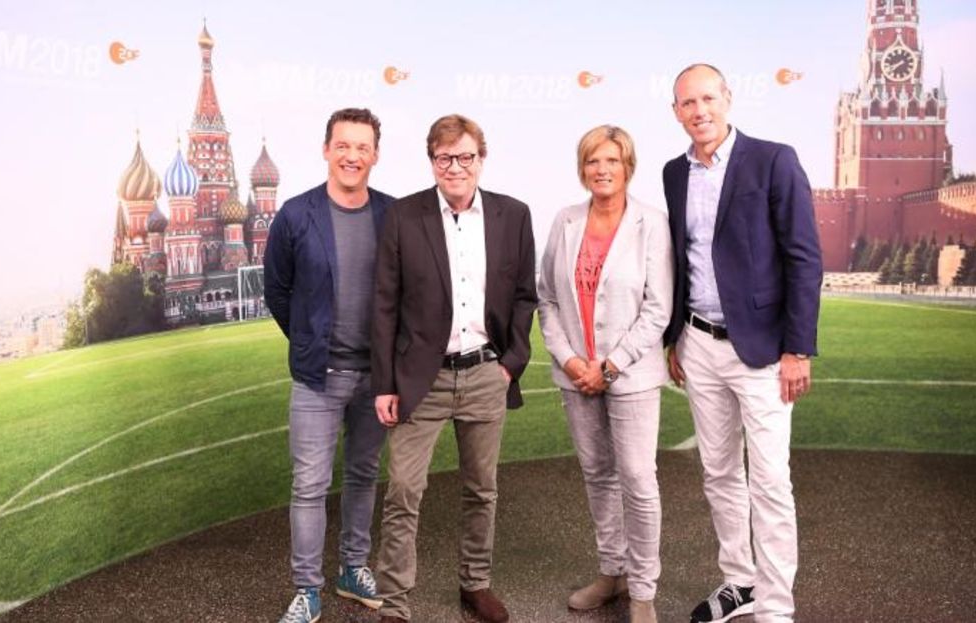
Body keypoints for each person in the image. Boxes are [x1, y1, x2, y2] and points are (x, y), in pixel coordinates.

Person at [662, 64, 823, 623]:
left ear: (728, 99)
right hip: (698, 345)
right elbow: (682, 259)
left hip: (762, 351)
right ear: (675, 111)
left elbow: (803, 256)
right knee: (719, 473)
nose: (699, 110)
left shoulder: (773, 159)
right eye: (687, 103)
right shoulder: (673, 173)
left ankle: (776, 610)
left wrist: (797, 348)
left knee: (771, 481)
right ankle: (740, 583)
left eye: (708, 98)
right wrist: (674, 339)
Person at [371, 114, 537, 623]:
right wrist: (385, 384)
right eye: (445, 158)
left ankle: (475, 584)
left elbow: (525, 297)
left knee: (481, 490)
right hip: (421, 380)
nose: (455, 167)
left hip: (487, 373)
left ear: (480, 159)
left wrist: (511, 364)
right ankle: (395, 603)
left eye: (465, 157)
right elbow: (384, 305)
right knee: (403, 491)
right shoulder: (404, 216)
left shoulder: (514, 214)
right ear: (432, 162)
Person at [537, 125, 673, 623]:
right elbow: (547, 299)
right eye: (593, 161)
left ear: (627, 166)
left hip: (630, 375)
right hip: (576, 376)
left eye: (612, 160)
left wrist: (609, 367)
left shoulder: (651, 223)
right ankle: (611, 572)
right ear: (582, 168)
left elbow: (658, 310)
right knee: (597, 474)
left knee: (638, 480)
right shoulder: (566, 221)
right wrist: (571, 360)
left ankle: (642, 591)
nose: (602, 169)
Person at [264, 108, 395, 623]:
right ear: (326, 149)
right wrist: (307, 340)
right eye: (343, 145)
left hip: (375, 378)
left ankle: (352, 568)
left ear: (375, 155)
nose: (352, 156)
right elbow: (278, 290)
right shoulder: (296, 215)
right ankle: (307, 589)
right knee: (310, 485)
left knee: (363, 476)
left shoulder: (393, 214)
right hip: (318, 378)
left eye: (363, 147)